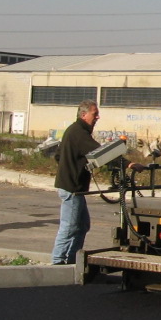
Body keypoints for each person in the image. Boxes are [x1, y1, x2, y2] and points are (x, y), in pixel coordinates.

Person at [50, 100, 142, 265]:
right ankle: (57, 262)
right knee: (70, 227)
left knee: (82, 225)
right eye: (95, 113)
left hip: (74, 187)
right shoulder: (78, 133)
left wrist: (76, 165)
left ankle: (71, 260)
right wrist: (127, 163)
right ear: (84, 115)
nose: (98, 117)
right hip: (72, 188)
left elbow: (58, 155)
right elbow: (101, 154)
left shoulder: (73, 131)